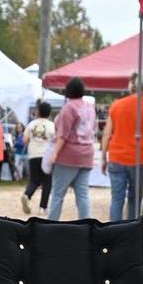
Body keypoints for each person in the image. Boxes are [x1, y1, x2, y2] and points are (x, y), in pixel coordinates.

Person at [101, 76, 143, 221]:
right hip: (138, 159)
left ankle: (114, 232)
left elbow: (107, 133)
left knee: (117, 199)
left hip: (115, 157)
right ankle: (130, 231)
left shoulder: (116, 105)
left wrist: (103, 156)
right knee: (135, 197)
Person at [42, 78, 96, 221]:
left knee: (58, 193)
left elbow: (63, 135)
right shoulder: (90, 107)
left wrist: (55, 154)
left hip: (69, 156)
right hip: (87, 154)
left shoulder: (69, 108)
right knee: (83, 194)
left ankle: (50, 225)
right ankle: (86, 224)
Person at [21, 101, 56, 215]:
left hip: (33, 155)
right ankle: (43, 207)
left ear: (38, 111)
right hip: (46, 156)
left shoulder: (31, 124)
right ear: (49, 113)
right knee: (47, 182)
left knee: (34, 180)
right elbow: (56, 140)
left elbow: (25, 140)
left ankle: (27, 195)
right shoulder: (52, 125)